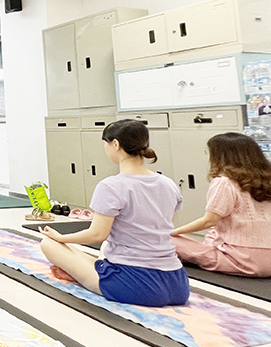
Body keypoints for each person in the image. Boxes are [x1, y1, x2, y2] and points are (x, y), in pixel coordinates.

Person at [39, 119, 190, 307]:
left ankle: (83, 276)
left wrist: (61, 238)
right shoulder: (168, 184)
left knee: (49, 244)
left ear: (115, 144)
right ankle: (92, 271)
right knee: (106, 246)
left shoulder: (111, 186)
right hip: (177, 284)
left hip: (136, 285)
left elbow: (96, 234)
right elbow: (163, 226)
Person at [171, 132, 271, 277]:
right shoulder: (267, 181)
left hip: (243, 261)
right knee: (214, 231)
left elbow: (209, 220)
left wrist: (173, 232)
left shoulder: (224, 182)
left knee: (168, 240)